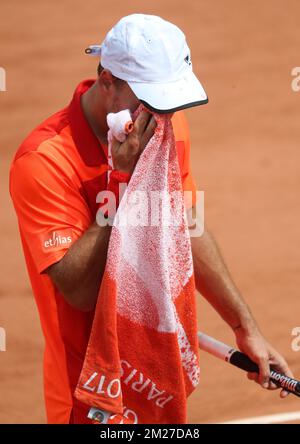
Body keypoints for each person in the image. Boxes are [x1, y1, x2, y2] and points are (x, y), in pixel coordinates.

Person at [9, 14, 293, 424]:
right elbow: (80, 291)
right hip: (90, 397)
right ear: (107, 81)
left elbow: (183, 226)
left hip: (157, 382)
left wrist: (243, 325)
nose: (163, 116)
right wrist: (125, 181)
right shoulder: (44, 161)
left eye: (170, 102)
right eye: (151, 101)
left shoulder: (166, 125)